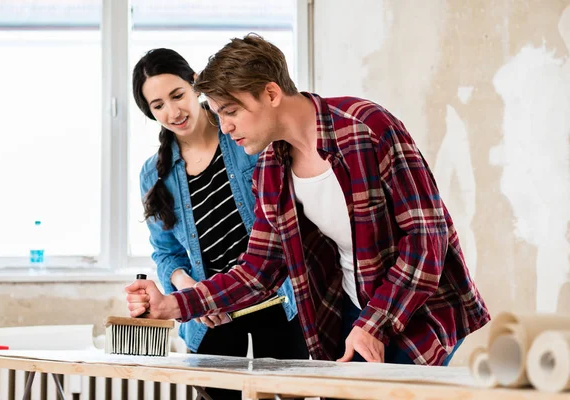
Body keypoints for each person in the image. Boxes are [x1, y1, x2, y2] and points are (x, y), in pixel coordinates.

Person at [126, 36, 491, 366]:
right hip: (353, 303)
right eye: (219, 114)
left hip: (418, 303)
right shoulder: (271, 167)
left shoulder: (367, 127)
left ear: (270, 94)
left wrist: (374, 323)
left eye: (231, 112)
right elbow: (258, 270)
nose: (224, 127)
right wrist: (173, 304)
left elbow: (428, 240)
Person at [131, 48, 308, 399]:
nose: (173, 111)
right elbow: (166, 254)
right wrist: (189, 289)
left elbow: (287, 222)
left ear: (195, 84)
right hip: (210, 317)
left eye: (177, 95)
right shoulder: (154, 174)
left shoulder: (247, 140)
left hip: (278, 306)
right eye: (158, 105)